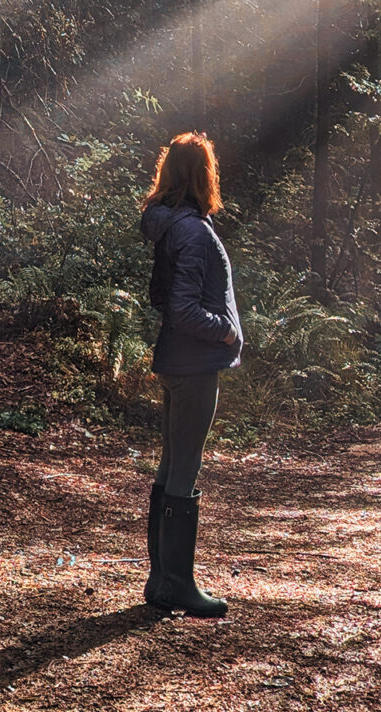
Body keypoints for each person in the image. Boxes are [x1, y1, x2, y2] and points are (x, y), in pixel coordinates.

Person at [137, 131, 243, 617]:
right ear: (203, 174)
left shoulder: (172, 226)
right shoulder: (194, 231)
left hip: (176, 361)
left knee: (172, 463)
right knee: (184, 466)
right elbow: (181, 308)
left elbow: (163, 299)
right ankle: (176, 583)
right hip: (194, 363)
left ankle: (162, 581)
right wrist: (225, 332)